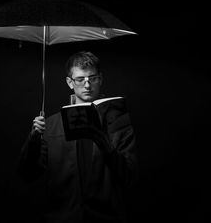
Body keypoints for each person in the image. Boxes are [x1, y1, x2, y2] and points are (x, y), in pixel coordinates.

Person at [17, 51, 138, 223]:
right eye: (80, 79)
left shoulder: (119, 123)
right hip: (62, 217)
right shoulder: (51, 125)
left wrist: (106, 146)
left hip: (107, 217)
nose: (87, 85)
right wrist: (34, 138)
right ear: (69, 82)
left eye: (93, 78)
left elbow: (130, 178)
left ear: (101, 79)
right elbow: (27, 174)